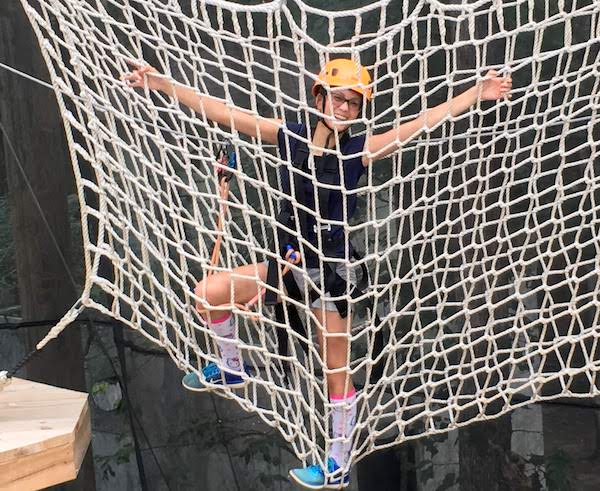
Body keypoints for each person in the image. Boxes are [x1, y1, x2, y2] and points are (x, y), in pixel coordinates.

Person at [121, 58, 512, 488]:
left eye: (354, 104)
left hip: (331, 275)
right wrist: (161, 83)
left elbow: (421, 123)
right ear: (319, 95)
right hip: (288, 267)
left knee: (335, 370)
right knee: (209, 293)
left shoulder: (358, 151)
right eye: (339, 99)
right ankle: (231, 366)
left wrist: (476, 94)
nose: (345, 110)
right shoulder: (289, 136)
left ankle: (338, 462)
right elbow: (223, 111)